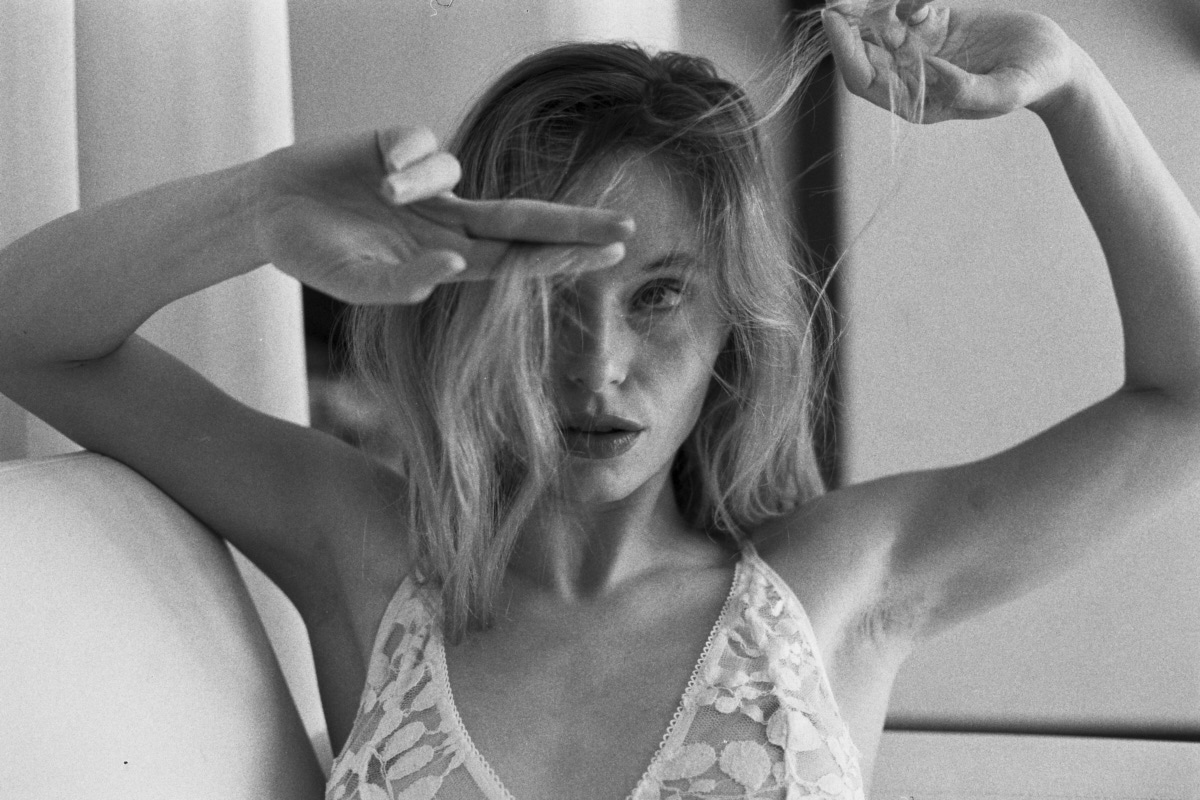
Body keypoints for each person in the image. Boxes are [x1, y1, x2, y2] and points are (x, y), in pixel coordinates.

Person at [1, 0, 1197, 797]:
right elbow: (27, 334)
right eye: (546, 299)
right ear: (469, 305)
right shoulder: (368, 555)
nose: (594, 366)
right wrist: (259, 205)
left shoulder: (838, 582)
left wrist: (1071, 85)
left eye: (660, 297)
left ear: (734, 320)